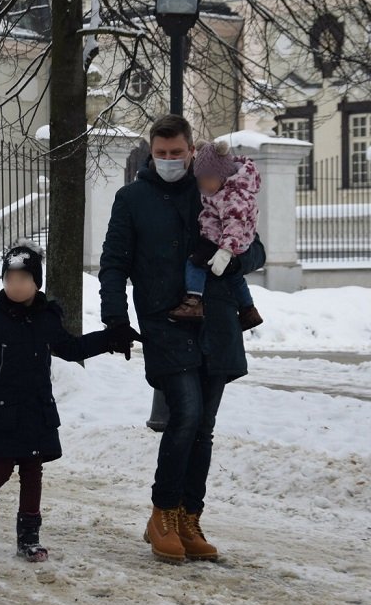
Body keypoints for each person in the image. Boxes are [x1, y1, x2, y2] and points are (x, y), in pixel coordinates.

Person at [98, 115, 266, 563]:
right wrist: (115, 315)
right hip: (163, 319)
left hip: (217, 321)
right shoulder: (131, 198)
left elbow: (256, 246)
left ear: (192, 151)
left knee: (204, 427)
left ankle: (191, 518)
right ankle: (163, 514)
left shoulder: (213, 186)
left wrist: (236, 260)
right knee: (185, 414)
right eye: (162, 153)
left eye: (177, 153)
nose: (170, 160)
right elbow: (114, 261)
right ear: (151, 153)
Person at [0, 244, 137, 561]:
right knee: (1, 468)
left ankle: (29, 537)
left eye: (23, 278)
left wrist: (110, 339)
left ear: (36, 282)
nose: (16, 285)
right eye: (10, 278)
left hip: (37, 408)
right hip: (3, 412)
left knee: (33, 472)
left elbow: (72, 348)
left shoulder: (46, 320)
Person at [168, 139, 264, 330]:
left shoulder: (232, 196)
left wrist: (226, 251)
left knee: (195, 262)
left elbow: (235, 223)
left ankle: (194, 301)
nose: (204, 184)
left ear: (223, 176)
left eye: (208, 179)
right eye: (200, 179)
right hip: (227, 238)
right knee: (233, 276)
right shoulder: (222, 189)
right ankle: (248, 310)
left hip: (225, 240)